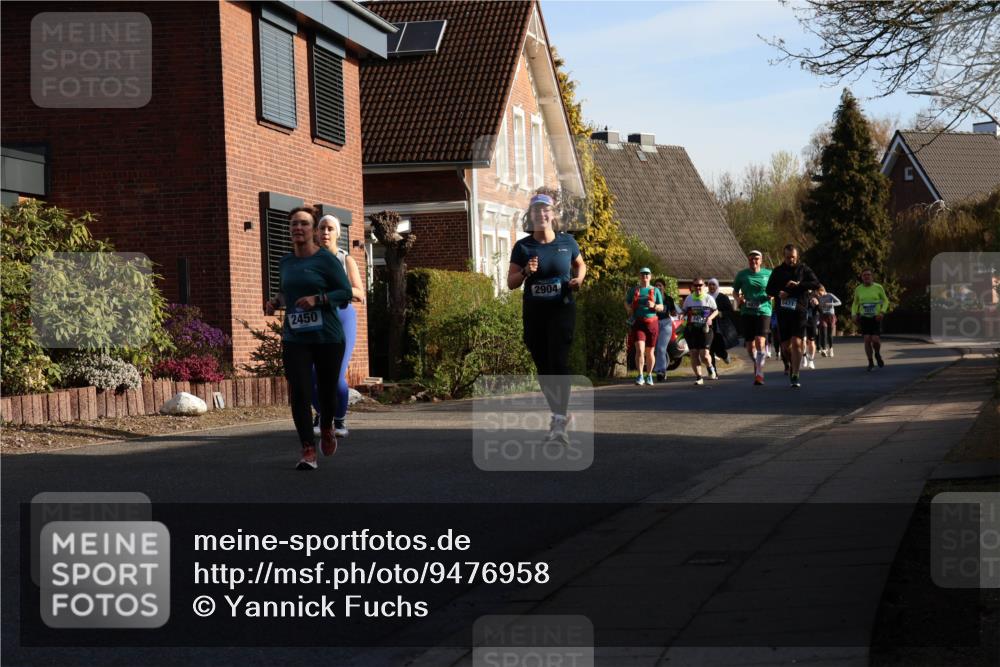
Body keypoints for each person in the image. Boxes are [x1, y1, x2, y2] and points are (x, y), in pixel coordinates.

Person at [264, 206, 352, 470]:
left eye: (303, 224)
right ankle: (307, 449)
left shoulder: (326, 260)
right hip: (295, 337)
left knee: (326, 393)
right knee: (300, 392)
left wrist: (319, 299)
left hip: (328, 337)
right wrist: (275, 301)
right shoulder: (285, 262)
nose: (298, 228)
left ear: (313, 230)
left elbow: (345, 293)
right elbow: (285, 293)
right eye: (293, 224)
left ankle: (326, 427)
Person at [508, 193, 586, 443]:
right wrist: (524, 272)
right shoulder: (523, 247)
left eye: (546, 210)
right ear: (531, 216)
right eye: (536, 211)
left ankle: (560, 419)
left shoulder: (567, 243)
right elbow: (511, 283)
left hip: (561, 310)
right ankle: (559, 414)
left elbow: (580, 265)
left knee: (558, 362)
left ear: (553, 215)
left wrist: (579, 279)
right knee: (543, 367)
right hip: (534, 314)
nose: (541, 215)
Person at [311, 215, 366, 438]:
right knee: (312, 374)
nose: (325, 232)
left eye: (330, 228)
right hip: (317, 319)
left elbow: (360, 293)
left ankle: (340, 420)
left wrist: (331, 294)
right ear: (316, 232)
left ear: (338, 234)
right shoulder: (308, 260)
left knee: (335, 375)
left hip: (342, 317)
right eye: (322, 228)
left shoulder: (345, 260)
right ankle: (322, 415)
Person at [765, 244, 819, 389]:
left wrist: (799, 285)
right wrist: (778, 293)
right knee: (785, 347)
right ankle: (790, 364)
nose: (791, 260)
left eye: (793, 257)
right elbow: (768, 289)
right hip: (783, 312)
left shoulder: (804, 269)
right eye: (788, 257)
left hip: (799, 310)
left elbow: (815, 283)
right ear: (784, 256)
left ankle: (795, 374)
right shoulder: (777, 271)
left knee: (797, 342)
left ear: (797, 256)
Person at [731, 250, 772, 385]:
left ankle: (759, 373)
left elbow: (775, 290)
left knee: (760, 341)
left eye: (756, 259)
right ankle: (757, 362)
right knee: (750, 346)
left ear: (761, 260)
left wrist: (771, 295)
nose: (753, 261)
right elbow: (735, 291)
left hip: (764, 310)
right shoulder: (742, 275)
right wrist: (738, 299)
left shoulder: (768, 273)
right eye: (751, 259)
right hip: (747, 312)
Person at [626, 268, 665, 386]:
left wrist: (654, 305)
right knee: (639, 350)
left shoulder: (655, 290)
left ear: (650, 276)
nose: (645, 276)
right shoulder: (634, 290)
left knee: (650, 352)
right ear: (640, 276)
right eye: (643, 274)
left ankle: (649, 375)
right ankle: (640, 375)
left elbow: (661, 307)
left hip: (652, 323)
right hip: (638, 323)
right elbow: (626, 302)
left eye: (647, 274)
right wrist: (629, 309)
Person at [681, 278, 718, 385]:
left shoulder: (708, 298)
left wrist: (710, 318)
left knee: (705, 355)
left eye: (700, 285)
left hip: (705, 330)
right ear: (693, 286)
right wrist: (681, 316)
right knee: (693, 353)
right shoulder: (688, 299)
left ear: (704, 286)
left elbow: (716, 311)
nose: (698, 287)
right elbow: (684, 311)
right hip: (692, 330)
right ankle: (699, 377)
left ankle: (710, 367)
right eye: (696, 285)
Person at [852, 269, 890, 371]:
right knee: (867, 339)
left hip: (876, 317)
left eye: (868, 275)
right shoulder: (858, 289)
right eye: (864, 275)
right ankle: (870, 362)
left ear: (872, 276)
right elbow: (855, 303)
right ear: (861, 277)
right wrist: (854, 314)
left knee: (875, 340)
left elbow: (886, 301)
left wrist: (882, 312)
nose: (867, 277)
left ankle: (877, 354)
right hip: (865, 317)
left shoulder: (878, 287)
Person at [706, 278, 734, 378]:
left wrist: (721, 313)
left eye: (714, 285)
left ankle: (724, 355)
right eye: (710, 285)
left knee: (718, 349)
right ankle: (713, 372)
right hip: (708, 327)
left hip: (720, 327)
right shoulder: (705, 297)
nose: (712, 287)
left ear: (717, 286)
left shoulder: (722, 297)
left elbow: (730, 311)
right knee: (709, 350)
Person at [652, 278, 678, 381]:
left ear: (664, 287)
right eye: (656, 286)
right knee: (656, 349)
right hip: (654, 323)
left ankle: (661, 371)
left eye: (660, 285)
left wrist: (674, 313)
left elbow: (673, 312)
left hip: (666, 324)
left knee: (661, 348)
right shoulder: (652, 299)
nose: (658, 287)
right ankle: (661, 370)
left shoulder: (669, 299)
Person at [815, 284, 842, 357]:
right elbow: (818, 307)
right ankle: (824, 349)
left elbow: (839, 302)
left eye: (819, 292)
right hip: (822, 316)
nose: (818, 294)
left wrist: (830, 304)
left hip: (831, 316)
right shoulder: (819, 297)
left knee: (830, 334)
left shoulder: (830, 295)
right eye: (817, 293)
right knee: (823, 332)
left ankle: (831, 349)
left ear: (823, 290)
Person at [803, 291, 820, 369]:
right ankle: (804, 357)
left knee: (811, 342)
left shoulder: (815, 294)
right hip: (802, 321)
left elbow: (821, 310)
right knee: (803, 340)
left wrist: (816, 305)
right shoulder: (801, 293)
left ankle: (811, 360)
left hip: (812, 321)